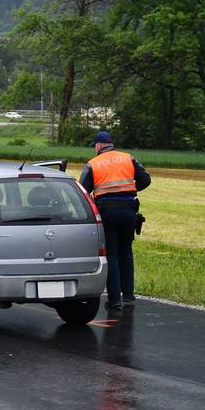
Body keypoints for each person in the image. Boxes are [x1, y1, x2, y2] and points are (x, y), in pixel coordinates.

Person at [79, 131, 151, 310]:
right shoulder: (128, 158)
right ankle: (128, 295)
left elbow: (84, 191)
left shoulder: (93, 164)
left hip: (107, 211)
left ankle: (114, 299)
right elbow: (146, 180)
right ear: (111, 143)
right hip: (128, 210)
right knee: (126, 251)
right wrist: (130, 190)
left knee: (111, 254)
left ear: (98, 145)